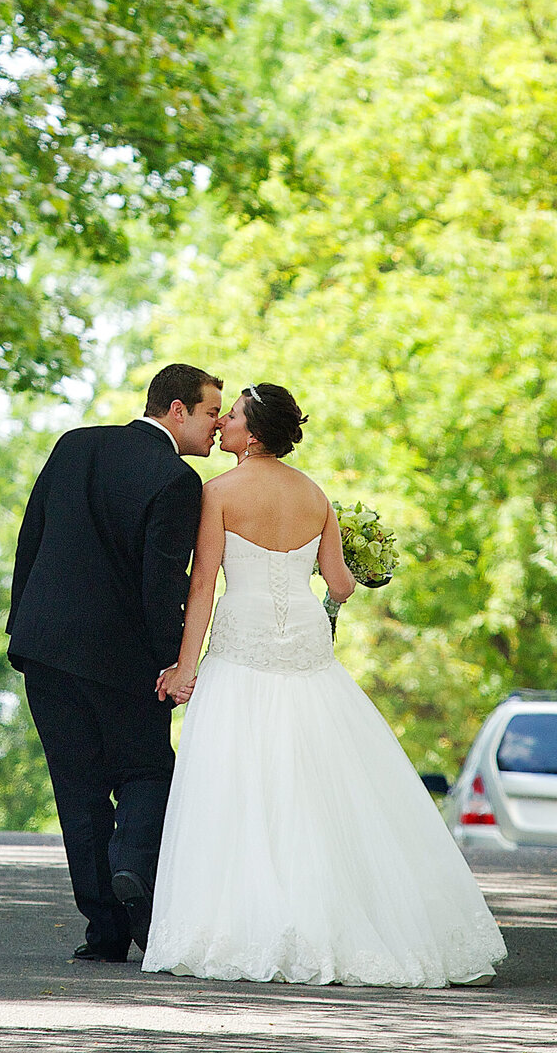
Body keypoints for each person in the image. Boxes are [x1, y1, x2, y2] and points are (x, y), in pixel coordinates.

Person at [143, 383, 506, 988]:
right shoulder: (315, 494)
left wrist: (186, 667)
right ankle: (352, 919)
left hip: (244, 643)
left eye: (231, 416)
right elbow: (340, 585)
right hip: (307, 645)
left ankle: (250, 923)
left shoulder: (219, 493)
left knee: (241, 780)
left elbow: (202, 585)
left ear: (252, 435)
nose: (224, 423)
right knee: (318, 774)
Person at [7, 362, 222, 962]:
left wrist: (20, 629)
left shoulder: (75, 445)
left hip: (45, 648)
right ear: (175, 410)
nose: (215, 427)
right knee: (148, 772)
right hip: (124, 660)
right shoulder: (177, 480)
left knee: (76, 787)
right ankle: (131, 864)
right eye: (210, 413)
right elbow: (162, 585)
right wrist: (173, 663)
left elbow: (32, 537)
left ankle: (103, 933)